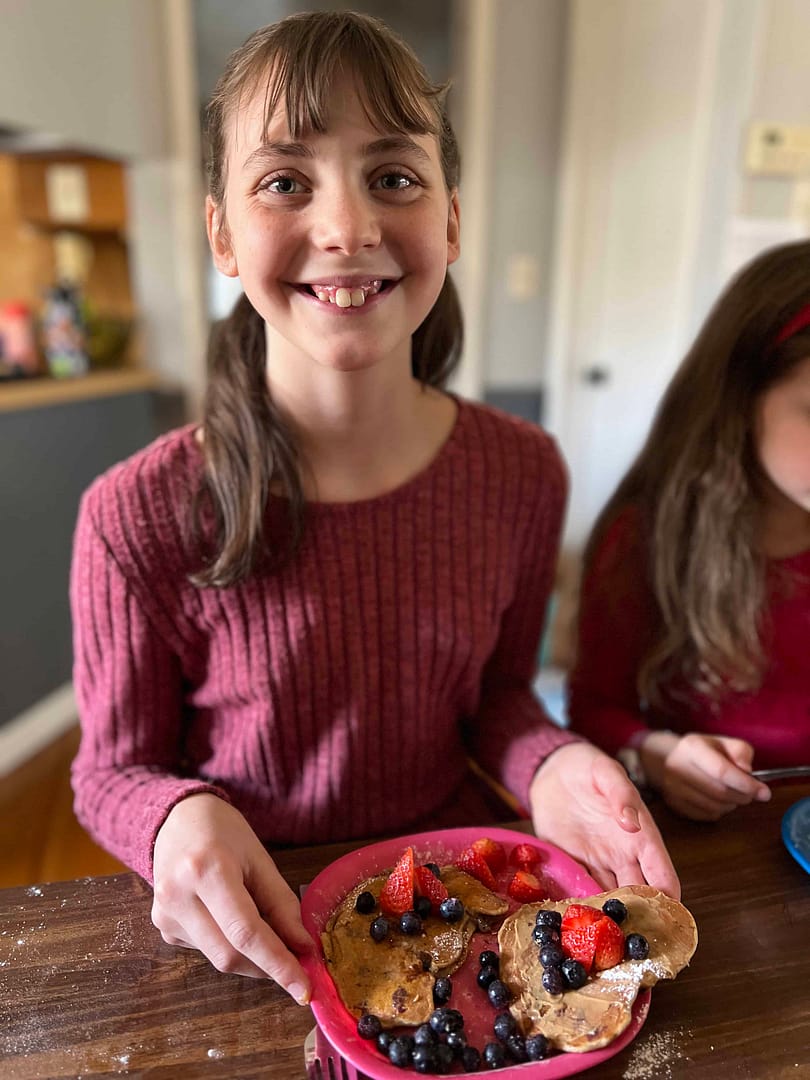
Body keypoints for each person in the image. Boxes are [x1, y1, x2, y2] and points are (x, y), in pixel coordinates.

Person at [70, 10, 677, 1008]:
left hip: (459, 922)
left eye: (393, 176)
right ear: (222, 231)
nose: (347, 228)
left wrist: (556, 758)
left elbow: (498, 702)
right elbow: (113, 770)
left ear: (450, 221)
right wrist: (173, 816)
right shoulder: (134, 517)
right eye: (284, 181)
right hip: (257, 943)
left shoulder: (522, 474)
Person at [568, 240, 810, 822]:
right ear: (742, 400)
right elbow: (595, 710)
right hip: (709, 839)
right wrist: (660, 756)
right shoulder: (651, 541)